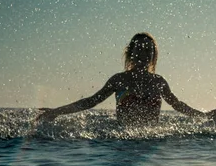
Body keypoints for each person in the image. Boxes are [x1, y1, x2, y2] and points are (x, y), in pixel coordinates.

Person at [37, 32, 205, 125]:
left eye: (148, 50)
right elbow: (91, 101)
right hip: (121, 144)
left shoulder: (159, 82)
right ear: (130, 53)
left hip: (152, 144)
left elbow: (178, 105)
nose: (143, 54)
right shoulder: (119, 80)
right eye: (139, 49)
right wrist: (56, 111)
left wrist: (204, 116)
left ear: (154, 56)